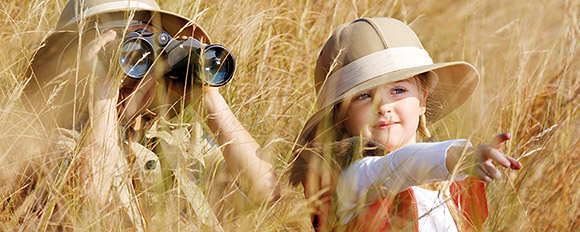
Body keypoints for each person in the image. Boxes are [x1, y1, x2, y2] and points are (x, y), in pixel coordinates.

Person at [19, 0, 279, 229]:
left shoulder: (184, 142)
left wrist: (207, 96)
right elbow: (88, 201)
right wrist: (103, 89)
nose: (130, 71)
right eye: (122, 52)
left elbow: (266, 190)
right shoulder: (60, 144)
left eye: (144, 55)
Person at [289, 17, 522, 231]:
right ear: (341, 116)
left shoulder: (450, 189)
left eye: (398, 90)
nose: (383, 106)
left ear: (423, 100)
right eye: (363, 96)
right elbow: (397, 167)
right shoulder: (351, 178)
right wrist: (455, 157)